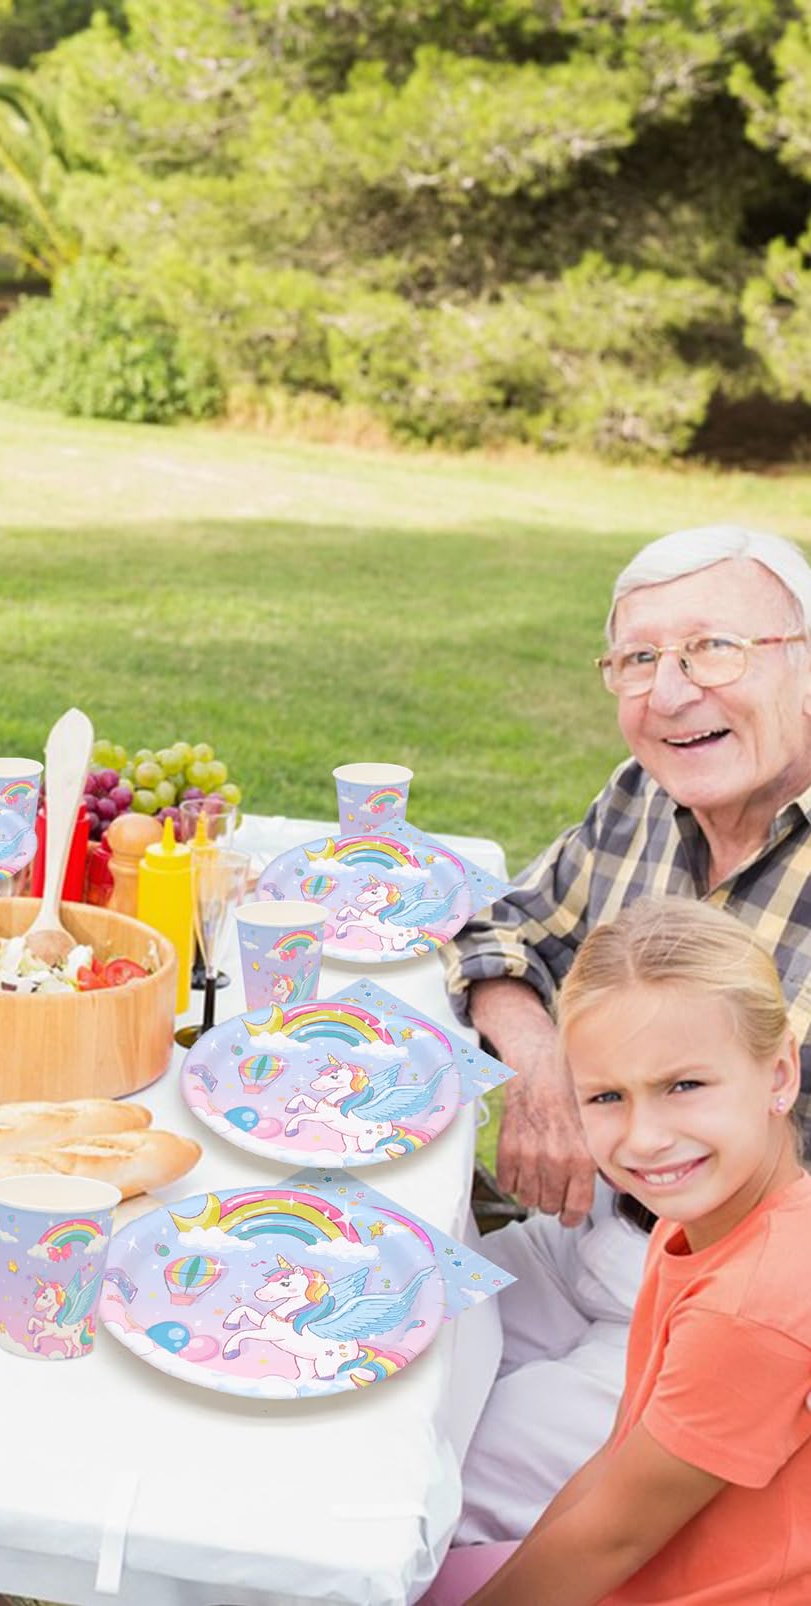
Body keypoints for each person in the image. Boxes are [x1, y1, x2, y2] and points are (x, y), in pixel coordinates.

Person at [448, 522, 811, 1542]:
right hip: (592, 1237)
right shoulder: (648, 794)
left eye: (712, 648)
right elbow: (499, 934)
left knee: (421, 1486)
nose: (667, 692)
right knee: (383, 1343)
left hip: (730, 1311)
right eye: (637, 659)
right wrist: (541, 1067)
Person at [427, 898, 809, 1604]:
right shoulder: (698, 1219)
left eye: (684, 1086)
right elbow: (616, 1460)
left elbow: (614, 1539)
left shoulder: (750, 1309)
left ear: (780, 1075)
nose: (643, 1140)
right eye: (605, 1097)